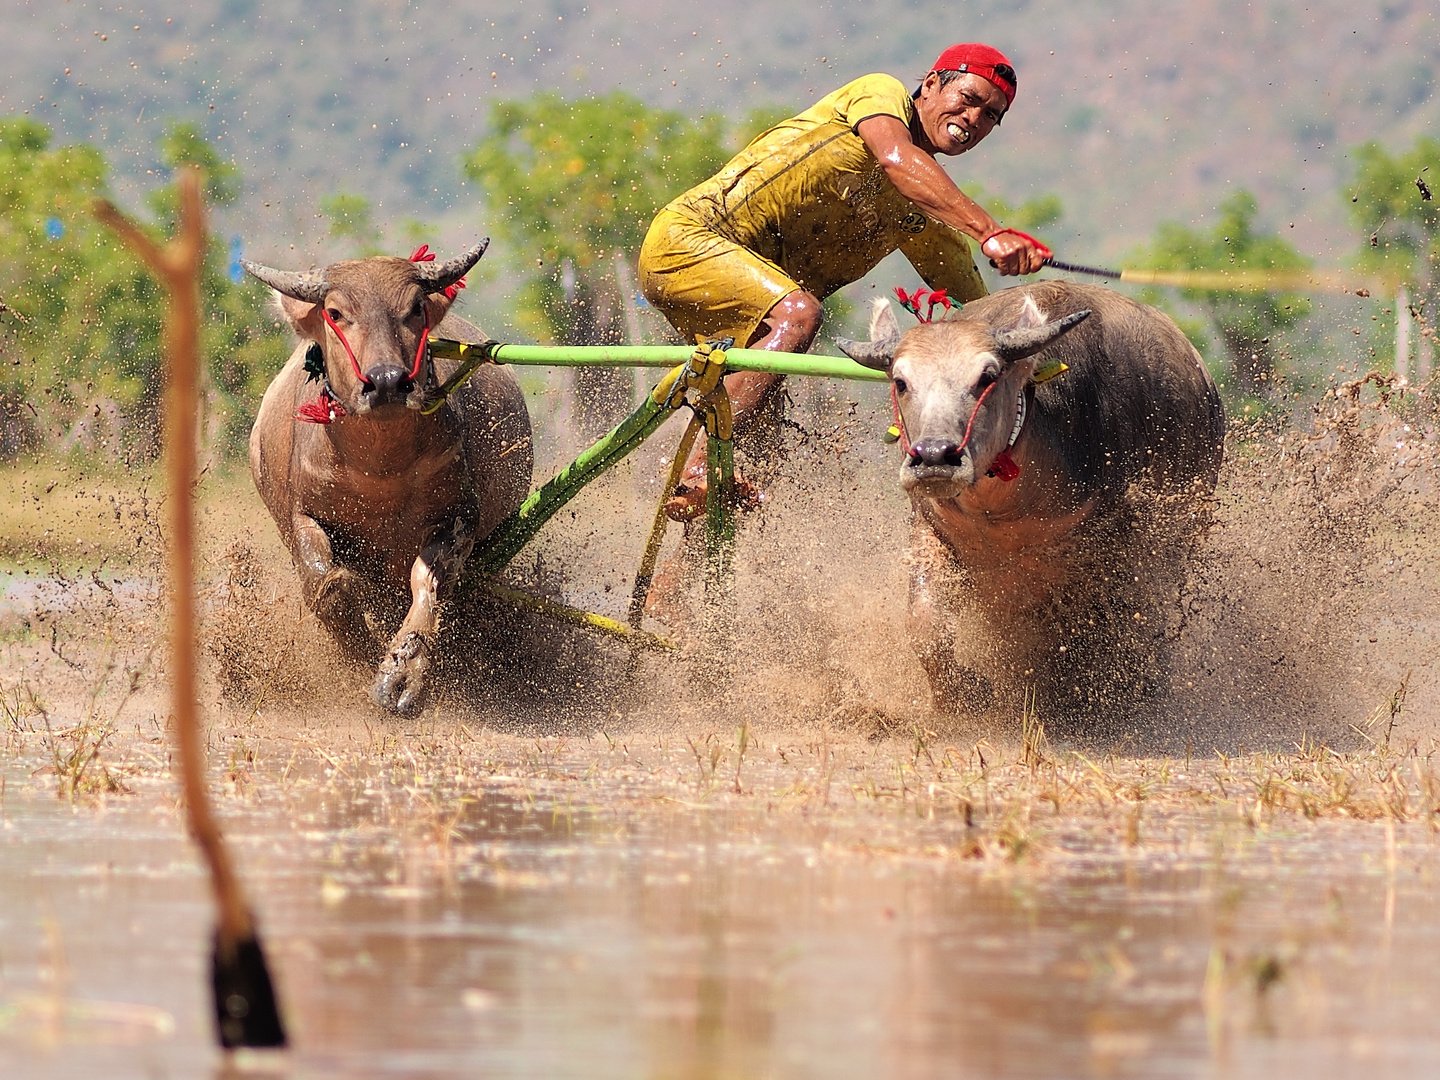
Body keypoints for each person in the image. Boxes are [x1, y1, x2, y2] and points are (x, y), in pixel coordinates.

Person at [638, 43, 1050, 520]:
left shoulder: (924, 215)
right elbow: (898, 158)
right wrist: (990, 232)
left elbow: (977, 325)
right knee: (801, 314)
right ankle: (696, 470)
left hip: (757, 316)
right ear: (933, 83)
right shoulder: (880, 94)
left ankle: (687, 560)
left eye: (990, 116)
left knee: (760, 465)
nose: (974, 118)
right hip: (686, 241)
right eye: (969, 98)